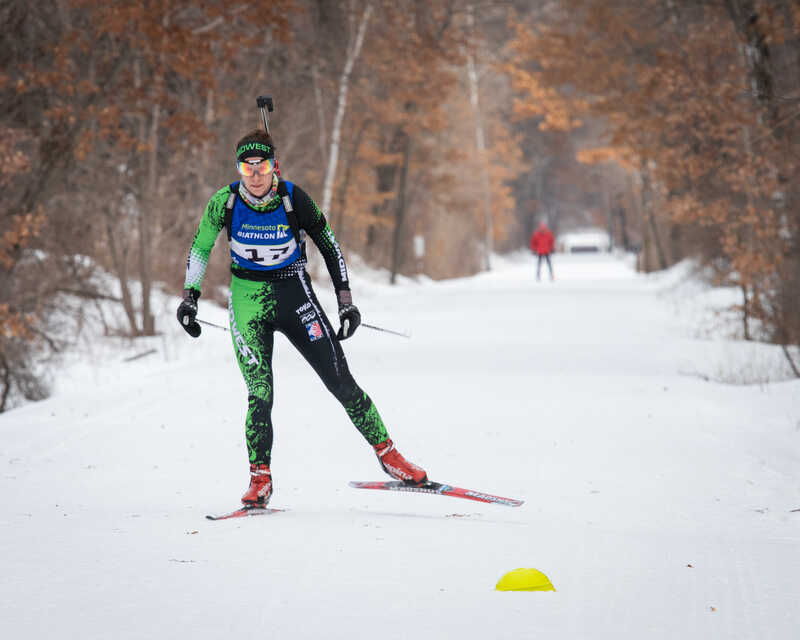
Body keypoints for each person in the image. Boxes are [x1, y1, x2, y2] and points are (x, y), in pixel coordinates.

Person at [176, 129, 427, 507]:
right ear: (240, 168)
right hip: (248, 302)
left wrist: (346, 303)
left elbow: (330, 246)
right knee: (260, 394)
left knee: (340, 380)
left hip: (296, 296)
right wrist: (189, 298)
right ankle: (260, 478)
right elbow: (200, 247)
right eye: (247, 166)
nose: (255, 174)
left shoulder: (294, 199)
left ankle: (390, 456)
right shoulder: (224, 202)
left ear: (274, 166)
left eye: (262, 166)